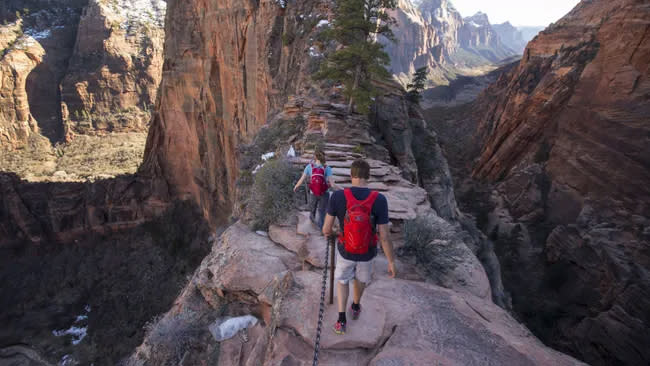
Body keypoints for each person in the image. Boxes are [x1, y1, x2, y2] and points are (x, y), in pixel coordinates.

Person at [322, 159, 396, 335]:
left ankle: (341, 320)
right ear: (368, 177)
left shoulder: (338, 197)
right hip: (367, 252)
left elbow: (326, 229)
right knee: (361, 280)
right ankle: (355, 306)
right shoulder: (379, 200)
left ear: (351, 175)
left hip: (345, 250)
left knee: (342, 280)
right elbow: (384, 236)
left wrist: (335, 232)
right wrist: (391, 261)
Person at [293, 149, 339, 229]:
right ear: (324, 157)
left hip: (313, 192)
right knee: (322, 212)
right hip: (324, 193)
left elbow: (302, 179)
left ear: (315, 157)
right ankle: (321, 228)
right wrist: (341, 189)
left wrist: (296, 186)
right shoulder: (327, 168)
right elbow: (332, 185)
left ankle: (312, 224)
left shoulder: (309, 167)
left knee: (312, 209)